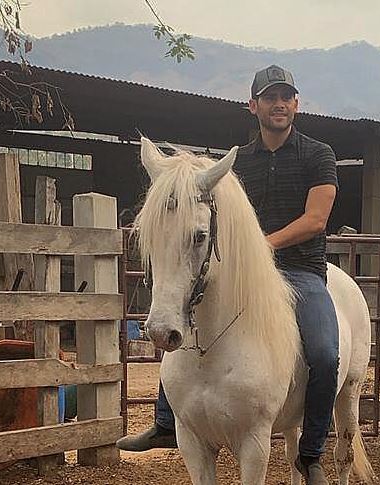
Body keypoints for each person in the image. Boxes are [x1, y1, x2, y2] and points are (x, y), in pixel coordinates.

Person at [118, 64, 339, 485]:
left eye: (286, 97)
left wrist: (263, 246)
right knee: (182, 314)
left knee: (326, 351)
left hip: (301, 272)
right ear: (253, 105)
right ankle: (167, 420)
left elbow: (316, 220)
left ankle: (310, 453)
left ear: (296, 104)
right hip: (243, 271)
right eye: (270, 97)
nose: (279, 104)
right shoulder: (240, 164)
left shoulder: (318, 155)